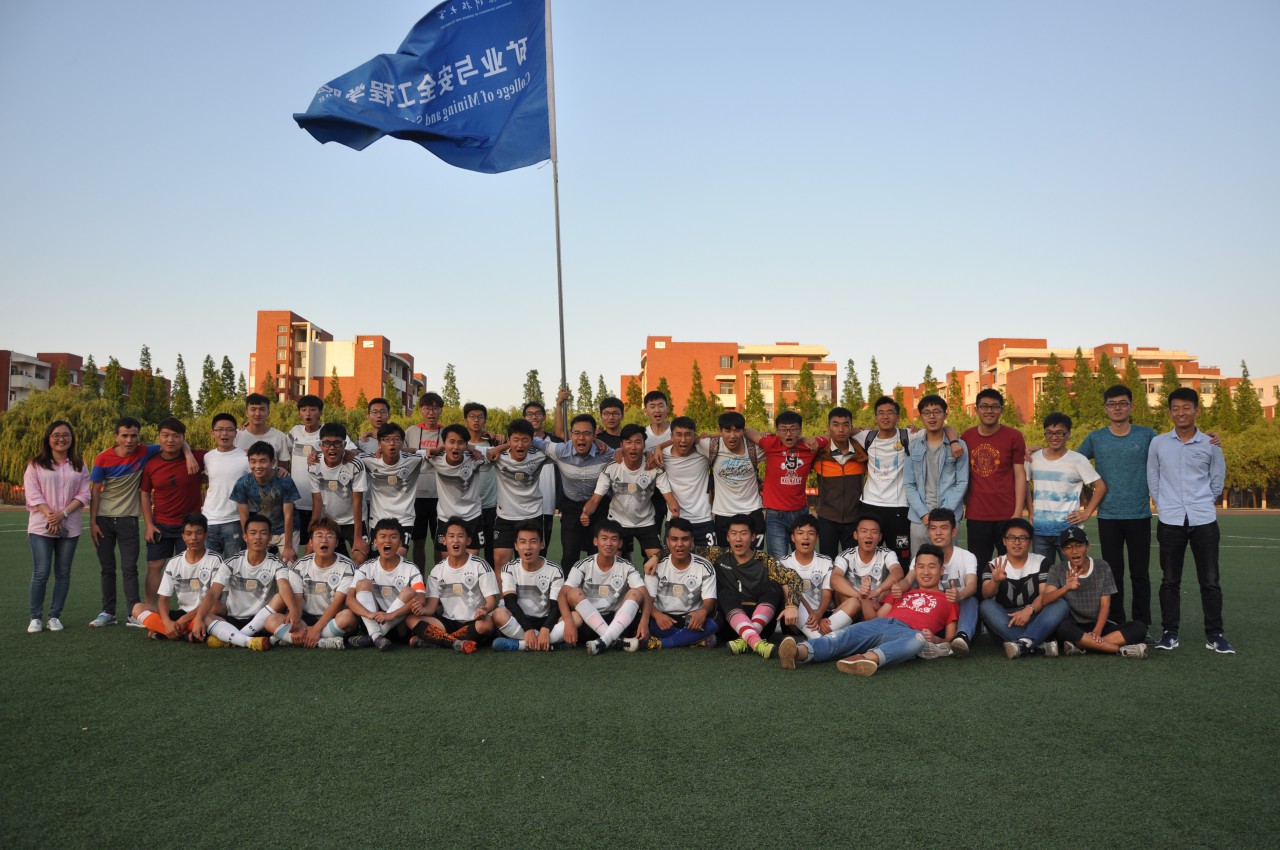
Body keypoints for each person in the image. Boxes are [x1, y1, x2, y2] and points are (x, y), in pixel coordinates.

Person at [777, 543, 957, 676]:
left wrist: (936, 639)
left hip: (908, 632)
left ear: (941, 570)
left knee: (917, 640)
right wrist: (863, 597)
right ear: (915, 569)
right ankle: (798, 652)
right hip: (880, 623)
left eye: (932, 567)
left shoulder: (949, 599)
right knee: (842, 636)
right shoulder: (901, 592)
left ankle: (867, 659)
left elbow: (950, 639)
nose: (926, 572)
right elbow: (874, 618)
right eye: (921, 566)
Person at [1147, 387, 1233, 653]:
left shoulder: (1211, 444)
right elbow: (1153, 477)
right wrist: (1163, 505)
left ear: (1197, 411)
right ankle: (1170, 633)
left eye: (1186, 408)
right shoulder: (1158, 443)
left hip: (1203, 519)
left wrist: (1204, 501)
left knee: (1210, 580)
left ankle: (1215, 635)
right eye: (1176, 408)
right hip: (1170, 520)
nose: (1181, 413)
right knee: (1170, 580)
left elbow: (1217, 479)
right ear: (1170, 412)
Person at [88, 417, 194, 628]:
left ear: (139, 437)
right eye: (124, 436)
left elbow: (177, 441)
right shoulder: (102, 458)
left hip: (128, 520)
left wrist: (189, 454)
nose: (129, 440)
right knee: (107, 568)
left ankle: (134, 613)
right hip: (103, 520)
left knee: (130, 568)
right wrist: (93, 522)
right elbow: (95, 491)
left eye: (133, 436)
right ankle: (108, 612)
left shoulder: (145, 452)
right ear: (116, 437)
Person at [1078, 384, 1157, 627]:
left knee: (1140, 574)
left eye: (1123, 403)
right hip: (1108, 516)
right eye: (1112, 404)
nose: (1118, 408)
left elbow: (1171, 451)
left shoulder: (1147, 435)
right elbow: (1072, 461)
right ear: (1105, 408)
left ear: (1131, 406)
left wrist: (1205, 438)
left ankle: (1141, 625)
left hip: (1139, 515)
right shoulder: (1096, 438)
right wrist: (1041, 450)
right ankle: (1115, 622)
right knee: (1113, 574)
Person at [189, 513, 297, 651]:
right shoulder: (231, 562)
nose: (258, 537)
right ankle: (248, 641)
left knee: (281, 597)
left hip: (261, 622)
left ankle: (235, 638)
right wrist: (198, 618)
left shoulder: (277, 564)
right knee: (206, 616)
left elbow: (284, 586)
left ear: (270, 538)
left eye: (263, 533)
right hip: (233, 620)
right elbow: (213, 593)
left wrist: (293, 611)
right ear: (245, 537)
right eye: (253, 533)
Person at [578, 423, 678, 570]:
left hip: (646, 522)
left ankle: (650, 585)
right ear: (621, 445)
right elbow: (595, 499)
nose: (633, 447)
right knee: (613, 563)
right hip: (618, 521)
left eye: (638, 442)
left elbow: (669, 497)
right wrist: (586, 512)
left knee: (659, 563)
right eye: (628, 442)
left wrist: (674, 511)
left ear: (644, 445)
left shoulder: (653, 467)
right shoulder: (612, 468)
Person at [1037, 528, 1148, 658]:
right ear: (1063, 551)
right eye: (1068, 547)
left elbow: (1105, 604)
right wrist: (1066, 588)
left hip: (1098, 625)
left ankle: (1082, 646)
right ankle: (1120, 650)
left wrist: (1097, 631)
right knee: (1062, 628)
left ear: (1088, 547)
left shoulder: (1102, 566)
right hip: (1073, 627)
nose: (1074, 551)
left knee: (1139, 627)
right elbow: (1045, 600)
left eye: (1079, 545)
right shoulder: (1057, 569)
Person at [24, 420, 90, 633]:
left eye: (65, 435)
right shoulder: (36, 465)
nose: (61, 439)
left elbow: (84, 494)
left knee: (63, 573)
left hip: (70, 526)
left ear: (71, 438)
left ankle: (54, 616)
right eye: (56, 435)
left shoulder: (79, 465)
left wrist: (63, 514)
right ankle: (35, 617)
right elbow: (33, 493)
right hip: (40, 526)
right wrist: (51, 517)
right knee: (41, 572)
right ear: (48, 438)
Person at [709, 514, 802, 659]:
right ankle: (757, 643)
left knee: (774, 587)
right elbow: (684, 548)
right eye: (733, 534)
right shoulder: (717, 556)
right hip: (729, 626)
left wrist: (792, 605)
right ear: (727, 537)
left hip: (763, 626)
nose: (738, 539)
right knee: (726, 594)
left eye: (743, 533)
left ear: (753, 537)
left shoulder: (765, 561)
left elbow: (794, 578)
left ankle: (748, 638)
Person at [139, 417, 207, 610]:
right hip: (161, 524)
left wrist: (188, 453)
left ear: (183, 438)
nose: (170, 440)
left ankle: (192, 609)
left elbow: (226, 455)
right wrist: (149, 524)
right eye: (165, 435)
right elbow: (144, 494)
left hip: (190, 526)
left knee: (192, 566)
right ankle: (151, 609)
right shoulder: (151, 464)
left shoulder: (198, 457)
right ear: (159, 437)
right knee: (154, 566)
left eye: (176, 436)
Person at [977, 518, 1069, 658]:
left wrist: (1029, 610)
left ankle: (1023, 643)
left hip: (1035, 616)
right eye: (1012, 538)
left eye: (1022, 538)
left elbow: (1044, 595)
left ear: (1030, 542)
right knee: (986, 606)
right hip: (1008, 620)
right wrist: (995, 581)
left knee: (1060, 604)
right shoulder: (995, 564)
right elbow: (986, 594)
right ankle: (1035, 644)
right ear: (1004, 541)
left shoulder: (1042, 562)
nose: (1017, 542)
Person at [262, 516, 357, 649]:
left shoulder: (348, 566)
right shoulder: (300, 565)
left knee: (348, 617)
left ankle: (292, 639)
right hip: (305, 619)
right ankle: (322, 642)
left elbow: (338, 602)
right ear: (311, 542)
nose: (324, 540)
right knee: (270, 620)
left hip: (333, 619)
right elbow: (297, 599)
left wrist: (317, 629)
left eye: (330, 536)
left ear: (336, 543)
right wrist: (297, 623)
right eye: (319, 535)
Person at [1025, 412, 1105, 567]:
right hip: (1040, 531)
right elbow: (1025, 483)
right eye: (1049, 433)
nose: (1054, 437)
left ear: (1068, 434)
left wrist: (1086, 513)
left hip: (1069, 531)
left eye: (1060, 433)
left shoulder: (1078, 460)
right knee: (1043, 575)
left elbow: (1101, 486)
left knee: (1072, 573)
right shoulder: (1033, 458)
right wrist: (1030, 509)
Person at [128, 513, 222, 642]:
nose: (194, 538)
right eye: (189, 533)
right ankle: (179, 631)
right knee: (137, 608)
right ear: (183, 536)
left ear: (206, 535)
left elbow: (215, 599)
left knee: (216, 607)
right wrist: (167, 621)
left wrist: (184, 619)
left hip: (203, 613)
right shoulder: (174, 562)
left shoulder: (216, 560)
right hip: (182, 613)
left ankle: (166, 631)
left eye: (198, 533)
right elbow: (163, 600)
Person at [745, 411, 828, 558]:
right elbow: (746, 431)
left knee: (803, 557)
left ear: (800, 430)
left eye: (793, 429)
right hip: (775, 516)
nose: (788, 434)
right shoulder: (771, 443)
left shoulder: (810, 446)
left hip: (800, 513)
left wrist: (806, 438)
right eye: (783, 429)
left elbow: (833, 434)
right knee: (778, 560)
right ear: (777, 431)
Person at [558, 519, 647, 655]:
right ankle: (617, 641)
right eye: (604, 538)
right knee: (573, 593)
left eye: (614, 539)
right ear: (595, 541)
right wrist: (569, 622)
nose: (609, 543)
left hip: (617, 622)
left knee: (636, 593)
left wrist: (644, 621)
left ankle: (604, 641)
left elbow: (644, 593)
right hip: (588, 623)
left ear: (620, 543)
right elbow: (562, 594)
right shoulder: (583, 565)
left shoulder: (626, 566)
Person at [896, 508, 978, 654]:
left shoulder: (967, 556)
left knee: (970, 600)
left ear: (954, 532)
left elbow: (972, 585)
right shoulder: (921, 557)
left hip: (957, 613)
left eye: (943, 528)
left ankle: (961, 637)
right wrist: (898, 587)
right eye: (933, 528)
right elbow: (908, 581)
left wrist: (959, 595)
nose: (938, 533)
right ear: (928, 532)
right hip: (933, 614)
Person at [410, 518, 499, 652]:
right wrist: (421, 610)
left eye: (460, 536)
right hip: (448, 623)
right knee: (411, 619)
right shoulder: (437, 571)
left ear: (468, 541)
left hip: (474, 621)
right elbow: (432, 607)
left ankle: (439, 640)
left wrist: (485, 610)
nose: (455, 540)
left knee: (486, 624)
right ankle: (455, 643)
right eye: (451, 536)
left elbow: (492, 600)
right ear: (444, 540)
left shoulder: (480, 566)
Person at [539, 412, 615, 567]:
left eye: (587, 433)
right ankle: (569, 583)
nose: (581, 438)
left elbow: (629, 453)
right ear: (571, 435)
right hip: (571, 507)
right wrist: (501, 444)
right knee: (569, 554)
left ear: (594, 435)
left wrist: (648, 453)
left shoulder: (606, 452)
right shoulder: (560, 450)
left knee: (598, 554)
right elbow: (533, 440)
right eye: (577, 433)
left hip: (599, 507)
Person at [961, 389, 1027, 568]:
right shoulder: (966, 437)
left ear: (1001, 410)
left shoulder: (1014, 436)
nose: (989, 411)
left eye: (994, 407)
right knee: (979, 565)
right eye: (984, 406)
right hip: (977, 514)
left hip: (1007, 513)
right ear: (976, 410)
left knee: (1011, 566)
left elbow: (1020, 475)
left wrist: (1018, 512)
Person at [632, 517, 719, 650]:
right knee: (639, 618)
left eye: (685, 539)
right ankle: (693, 640)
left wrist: (702, 612)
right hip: (663, 620)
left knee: (718, 619)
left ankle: (663, 643)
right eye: (674, 539)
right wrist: (657, 615)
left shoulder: (704, 566)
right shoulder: (655, 565)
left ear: (692, 541)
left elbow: (709, 601)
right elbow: (648, 601)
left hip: (692, 620)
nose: (679, 544)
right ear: (667, 541)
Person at [345, 520, 429, 651]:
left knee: (409, 592)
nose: (387, 541)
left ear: (400, 543)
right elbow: (349, 599)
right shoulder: (365, 568)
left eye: (393, 537)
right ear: (375, 542)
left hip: (398, 626)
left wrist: (391, 615)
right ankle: (376, 635)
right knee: (363, 584)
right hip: (372, 621)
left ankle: (373, 637)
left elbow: (421, 599)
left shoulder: (411, 569)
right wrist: (368, 614)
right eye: (383, 536)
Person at [902, 394, 969, 556]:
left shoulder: (959, 446)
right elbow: (909, 484)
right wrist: (924, 514)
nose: (932, 416)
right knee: (919, 563)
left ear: (945, 415)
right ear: (921, 417)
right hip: (920, 518)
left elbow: (962, 482)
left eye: (937, 412)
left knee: (948, 563)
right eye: (926, 412)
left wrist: (943, 515)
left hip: (948, 516)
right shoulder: (913, 446)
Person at [859, 396, 918, 566]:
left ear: (898, 417)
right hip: (870, 505)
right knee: (868, 554)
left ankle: (900, 583)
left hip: (899, 507)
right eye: (881, 413)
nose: (885, 416)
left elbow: (940, 429)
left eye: (890, 412)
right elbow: (841, 430)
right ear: (875, 417)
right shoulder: (867, 436)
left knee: (901, 555)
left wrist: (953, 441)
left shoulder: (908, 435)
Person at [487, 418, 551, 571]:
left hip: (532, 515)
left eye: (525, 440)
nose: (520, 445)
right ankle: (504, 589)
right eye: (515, 440)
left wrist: (597, 441)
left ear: (531, 441)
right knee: (500, 561)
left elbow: (566, 449)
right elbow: (469, 448)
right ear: (509, 440)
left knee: (530, 563)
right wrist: (499, 448)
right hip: (505, 517)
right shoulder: (498, 456)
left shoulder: (540, 455)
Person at [491, 521, 566, 651]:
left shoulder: (555, 570)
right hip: (519, 621)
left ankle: (520, 645)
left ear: (542, 544)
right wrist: (527, 628)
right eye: (522, 542)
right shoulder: (509, 568)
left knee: (575, 618)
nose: (528, 547)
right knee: (498, 614)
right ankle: (550, 643)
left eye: (533, 541)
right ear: (516, 546)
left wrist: (546, 628)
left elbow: (556, 606)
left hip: (545, 621)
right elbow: (510, 602)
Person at [811, 406, 868, 558]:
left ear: (851, 427)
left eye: (845, 424)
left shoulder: (862, 452)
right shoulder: (818, 453)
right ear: (828, 427)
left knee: (853, 562)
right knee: (827, 561)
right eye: (835, 424)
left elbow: (881, 434)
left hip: (855, 517)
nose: (841, 429)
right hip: (827, 518)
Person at [308, 422, 369, 563]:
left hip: (354, 520)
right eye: (327, 443)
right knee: (325, 557)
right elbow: (317, 501)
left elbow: (357, 501)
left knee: (360, 556)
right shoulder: (314, 465)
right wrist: (313, 533)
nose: (331, 448)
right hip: (330, 520)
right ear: (320, 445)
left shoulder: (355, 464)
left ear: (344, 444)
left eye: (337, 443)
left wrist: (358, 538)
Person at [828, 514, 903, 629]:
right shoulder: (846, 555)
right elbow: (835, 578)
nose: (869, 536)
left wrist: (878, 591)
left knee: (892, 588)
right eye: (864, 531)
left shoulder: (887, 553)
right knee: (847, 593)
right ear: (855, 535)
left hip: (875, 607)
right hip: (851, 607)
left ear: (880, 536)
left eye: (874, 532)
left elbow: (898, 572)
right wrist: (862, 597)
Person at [703, 412, 765, 548]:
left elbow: (781, 440)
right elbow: (685, 440)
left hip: (753, 512)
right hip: (723, 514)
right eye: (727, 431)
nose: (732, 436)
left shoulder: (754, 448)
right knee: (726, 558)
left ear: (743, 431)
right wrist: (659, 448)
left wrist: (805, 439)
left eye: (737, 430)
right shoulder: (711, 446)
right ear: (720, 431)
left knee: (756, 557)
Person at [230, 441, 299, 563]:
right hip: (261, 529)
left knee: (289, 566)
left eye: (262, 461)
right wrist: (249, 543)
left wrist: (288, 547)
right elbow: (244, 516)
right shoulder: (243, 483)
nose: (257, 466)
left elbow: (288, 515)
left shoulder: (284, 480)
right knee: (256, 564)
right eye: (253, 461)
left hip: (287, 530)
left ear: (272, 462)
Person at [360, 422, 427, 547]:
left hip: (404, 519)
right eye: (386, 440)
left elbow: (435, 453)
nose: (392, 443)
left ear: (402, 443)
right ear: (379, 444)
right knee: (377, 556)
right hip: (378, 519)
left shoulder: (414, 460)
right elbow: (348, 456)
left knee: (400, 553)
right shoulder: (368, 460)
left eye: (396, 439)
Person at [652, 416, 715, 546]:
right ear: (671, 436)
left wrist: (709, 436)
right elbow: (657, 476)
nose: (683, 440)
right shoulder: (662, 455)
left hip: (703, 519)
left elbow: (726, 437)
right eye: (678, 435)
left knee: (711, 558)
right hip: (675, 519)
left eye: (688, 435)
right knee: (672, 558)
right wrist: (659, 446)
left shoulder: (704, 452)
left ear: (695, 436)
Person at [425, 424, 484, 555]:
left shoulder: (475, 457)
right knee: (446, 560)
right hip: (446, 518)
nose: (456, 447)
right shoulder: (434, 457)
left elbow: (495, 451)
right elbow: (408, 452)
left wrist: (472, 448)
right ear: (444, 443)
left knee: (472, 559)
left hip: (472, 516)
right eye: (451, 442)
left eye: (461, 443)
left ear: (466, 445)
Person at [777, 514, 835, 641]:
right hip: (795, 618)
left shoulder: (826, 561)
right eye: (800, 533)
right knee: (788, 589)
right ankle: (817, 640)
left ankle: (808, 641)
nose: (806, 537)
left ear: (817, 538)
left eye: (811, 533)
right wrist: (811, 614)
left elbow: (827, 594)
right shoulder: (783, 563)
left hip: (821, 614)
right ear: (793, 537)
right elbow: (791, 594)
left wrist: (818, 615)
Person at [405, 391, 445, 568]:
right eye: (427, 408)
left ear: (441, 411)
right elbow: (400, 450)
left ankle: (438, 579)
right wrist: (420, 452)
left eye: (435, 409)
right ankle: (420, 578)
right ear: (420, 410)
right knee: (418, 541)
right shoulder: (411, 431)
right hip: (417, 495)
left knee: (439, 542)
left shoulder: (446, 432)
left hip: (441, 495)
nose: (431, 412)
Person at [203, 413, 249, 557]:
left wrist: (280, 469)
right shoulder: (207, 457)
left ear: (235, 433)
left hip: (234, 520)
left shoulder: (245, 458)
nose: (224, 433)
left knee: (233, 566)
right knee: (209, 566)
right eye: (220, 429)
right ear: (212, 433)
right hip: (209, 520)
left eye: (229, 429)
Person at [285, 394, 327, 541]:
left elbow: (351, 451)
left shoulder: (328, 432)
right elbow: (280, 450)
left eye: (313, 409)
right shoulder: (295, 431)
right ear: (299, 413)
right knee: (293, 543)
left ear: (320, 413)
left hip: (321, 502)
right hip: (296, 501)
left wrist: (320, 453)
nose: (308, 414)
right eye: (303, 410)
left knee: (319, 541)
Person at [523, 400, 561, 554]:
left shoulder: (554, 443)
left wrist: (559, 404)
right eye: (530, 414)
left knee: (541, 550)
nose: (534, 417)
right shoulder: (517, 443)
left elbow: (563, 434)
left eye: (538, 413)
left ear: (544, 417)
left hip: (546, 505)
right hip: (522, 506)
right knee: (521, 550)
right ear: (524, 418)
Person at [463, 402, 499, 566]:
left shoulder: (493, 443)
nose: (476, 420)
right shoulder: (460, 444)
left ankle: (491, 581)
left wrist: (497, 440)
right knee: (468, 551)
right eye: (472, 416)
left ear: (485, 420)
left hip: (491, 504)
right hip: (468, 506)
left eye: (480, 417)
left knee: (492, 551)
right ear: (465, 420)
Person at [234, 393, 289, 473]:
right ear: (246, 412)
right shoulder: (235, 436)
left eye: (262, 409)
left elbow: (283, 470)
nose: (257, 413)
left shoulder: (280, 437)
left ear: (268, 413)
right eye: (253, 409)